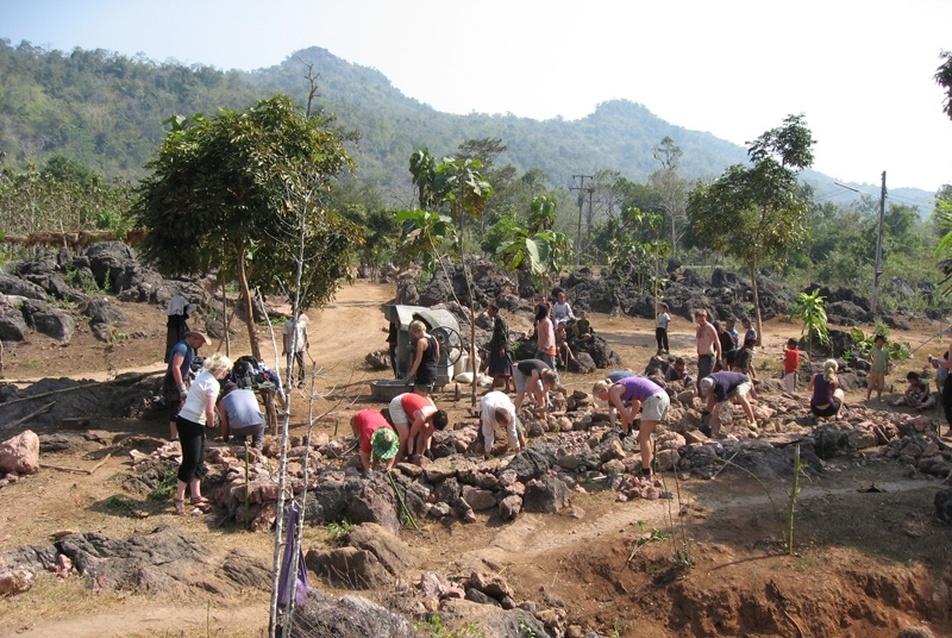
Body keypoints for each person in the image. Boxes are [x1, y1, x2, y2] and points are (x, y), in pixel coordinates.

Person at [173, 353, 232, 515]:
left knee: (199, 458)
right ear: (220, 370)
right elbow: (209, 410)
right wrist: (212, 423)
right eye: (227, 370)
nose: (227, 373)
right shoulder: (213, 384)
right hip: (190, 422)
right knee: (190, 460)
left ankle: (196, 495)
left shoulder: (202, 375)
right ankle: (179, 498)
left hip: (190, 421)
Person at [592, 375, 670, 475]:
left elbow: (622, 411)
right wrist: (630, 423)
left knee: (643, 436)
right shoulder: (621, 386)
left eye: (600, 396)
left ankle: (646, 470)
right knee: (647, 435)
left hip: (654, 399)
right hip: (663, 397)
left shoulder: (613, 391)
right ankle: (649, 466)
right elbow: (636, 404)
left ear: (604, 390)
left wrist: (625, 431)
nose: (602, 400)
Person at [163, 330, 211, 441]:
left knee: (183, 408)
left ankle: (182, 434)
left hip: (183, 379)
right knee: (177, 409)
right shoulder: (182, 348)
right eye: (201, 342)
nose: (201, 345)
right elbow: (176, 367)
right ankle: (174, 437)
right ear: (194, 338)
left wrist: (191, 373)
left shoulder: (189, 349)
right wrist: (181, 387)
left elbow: (185, 365)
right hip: (173, 382)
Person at [387, 392, 448, 462]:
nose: (434, 429)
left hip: (412, 405)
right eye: (434, 427)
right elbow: (411, 436)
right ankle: (395, 461)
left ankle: (418, 458)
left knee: (424, 430)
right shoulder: (421, 418)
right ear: (431, 420)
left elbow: (428, 434)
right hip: (398, 404)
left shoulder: (435, 414)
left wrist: (428, 449)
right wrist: (410, 453)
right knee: (404, 435)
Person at [699, 371, 757, 437]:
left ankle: (753, 421)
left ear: (713, 387)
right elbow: (710, 397)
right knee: (712, 397)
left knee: (740, 395)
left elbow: (717, 410)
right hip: (730, 384)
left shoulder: (722, 387)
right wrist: (707, 413)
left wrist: (710, 427)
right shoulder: (706, 381)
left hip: (743, 381)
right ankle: (707, 418)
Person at [217, 381, 265, 450]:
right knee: (261, 420)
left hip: (239, 428)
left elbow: (225, 424)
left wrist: (225, 439)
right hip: (257, 425)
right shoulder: (250, 392)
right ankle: (257, 444)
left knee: (235, 420)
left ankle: (239, 440)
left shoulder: (223, 400)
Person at [478, 390, 523, 459]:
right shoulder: (487, 415)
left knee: (517, 430)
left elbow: (512, 432)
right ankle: (482, 454)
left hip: (502, 397)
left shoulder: (511, 412)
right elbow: (488, 435)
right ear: (497, 421)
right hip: (487, 399)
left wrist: (517, 451)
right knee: (483, 435)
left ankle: (521, 449)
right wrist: (488, 453)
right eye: (503, 425)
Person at [406, 319, 439, 394]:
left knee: (420, 397)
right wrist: (434, 367)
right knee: (426, 395)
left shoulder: (421, 342)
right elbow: (438, 356)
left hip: (424, 373)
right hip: (433, 372)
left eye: (414, 334)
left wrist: (411, 374)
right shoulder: (433, 338)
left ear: (415, 332)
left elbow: (418, 360)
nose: (415, 336)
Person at [486, 305, 513, 392]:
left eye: (489, 310)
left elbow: (502, 335)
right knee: (503, 369)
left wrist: (502, 348)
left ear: (495, 310)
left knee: (500, 368)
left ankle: (491, 388)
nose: (488, 312)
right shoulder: (498, 320)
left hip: (501, 348)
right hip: (498, 347)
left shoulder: (499, 320)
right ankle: (508, 387)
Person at [694, 310, 722, 393]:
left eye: (702, 320)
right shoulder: (698, 327)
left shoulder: (710, 328)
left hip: (708, 356)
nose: (701, 322)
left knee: (705, 380)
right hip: (701, 356)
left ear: (705, 318)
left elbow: (717, 342)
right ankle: (702, 398)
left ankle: (708, 398)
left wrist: (719, 357)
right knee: (699, 379)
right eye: (699, 320)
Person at [282, 314, 310, 388]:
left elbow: (305, 333)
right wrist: (285, 348)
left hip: (300, 347)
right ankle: (289, 381)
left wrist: (307, 342)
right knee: (289, 365)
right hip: (290, 347)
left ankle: (302, 381)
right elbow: (284, 336)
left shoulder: (302, 323)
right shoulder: (288, 324)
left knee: (302, 364)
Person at [164, 293, 192, 363]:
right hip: (179, 326)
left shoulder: (172, 314)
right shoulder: (181, 320)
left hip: (173, 326)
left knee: (173, 342)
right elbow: (188, 309)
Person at [533, 303, 558, 372]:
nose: (535, 312)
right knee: (536, 365)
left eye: (537, 310)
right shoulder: (540, 322)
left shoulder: (547, 322)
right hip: (541, 349)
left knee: (551, 368)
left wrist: (547, 346)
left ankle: (557, 382)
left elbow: (549, 335)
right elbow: (540, 335)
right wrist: (538, 344)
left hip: (548, 350)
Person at [866, 334, 888, 402]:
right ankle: (868, 397)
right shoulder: (873, 349)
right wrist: (872, 361)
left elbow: (887, 360)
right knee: (871, 384)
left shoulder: (885, 351)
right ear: (876, 342)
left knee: (880, 385)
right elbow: (869, 355)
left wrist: (886, 369)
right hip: (874, 369)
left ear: (883, 342)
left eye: (881, 341)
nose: (880, 343)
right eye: (878, 341)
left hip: (881, 370)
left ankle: (879, 398)